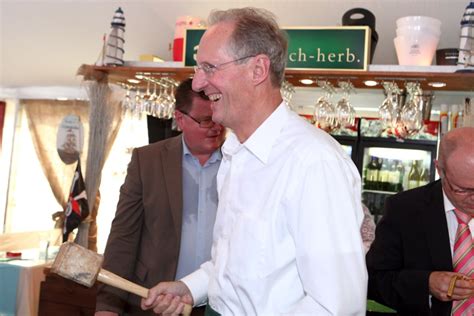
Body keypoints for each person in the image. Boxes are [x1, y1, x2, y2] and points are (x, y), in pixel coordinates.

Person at [141, 7, 367, 315]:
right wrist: (190, 287)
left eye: (209, 67)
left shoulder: (314, 162)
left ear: (258, 70)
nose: (196, 83)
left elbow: (336, 305)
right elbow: (235, 265)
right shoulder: (235, 152)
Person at [95, 78, 226, 316]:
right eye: (205, 120)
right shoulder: (148, 162)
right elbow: (124, 236)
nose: (215, 127)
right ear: (180, 119)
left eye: (218, 118)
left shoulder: (241, 163)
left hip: (217, 305)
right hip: (155, 302)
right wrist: (107, 307)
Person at [366, 127, 474, 315]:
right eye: (463, 190)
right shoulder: (404, 210)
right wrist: (426, 284)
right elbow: (374, 279)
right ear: (440, 170)